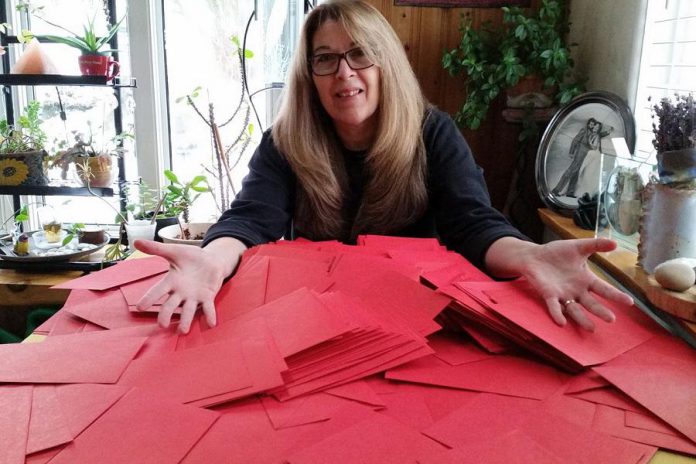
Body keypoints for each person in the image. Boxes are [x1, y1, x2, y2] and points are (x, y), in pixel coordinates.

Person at [135, 0, 633, 334]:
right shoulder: (285, 142)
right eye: (325, 58)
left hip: (419, 322)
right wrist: (213, 258)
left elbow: (472, 223)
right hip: (316, 321)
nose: (344, 72)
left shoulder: (432, 132)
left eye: (359, 54)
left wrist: (528, 255)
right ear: (309, 75)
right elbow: (250, 218)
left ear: (386, 61)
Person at [552, 117, 614, 198]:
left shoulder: (593, 133)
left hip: (586, 156)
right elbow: (575, 140)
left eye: (593, 125)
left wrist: (608, 132)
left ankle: (570, 192)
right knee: (570, 171)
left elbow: (599, 134)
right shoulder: (584, 131)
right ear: (588, 124)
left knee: (576, 173)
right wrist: (571, 151)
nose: (592, 126)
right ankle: (556, 190)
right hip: (579, 154)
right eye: (591, 124)